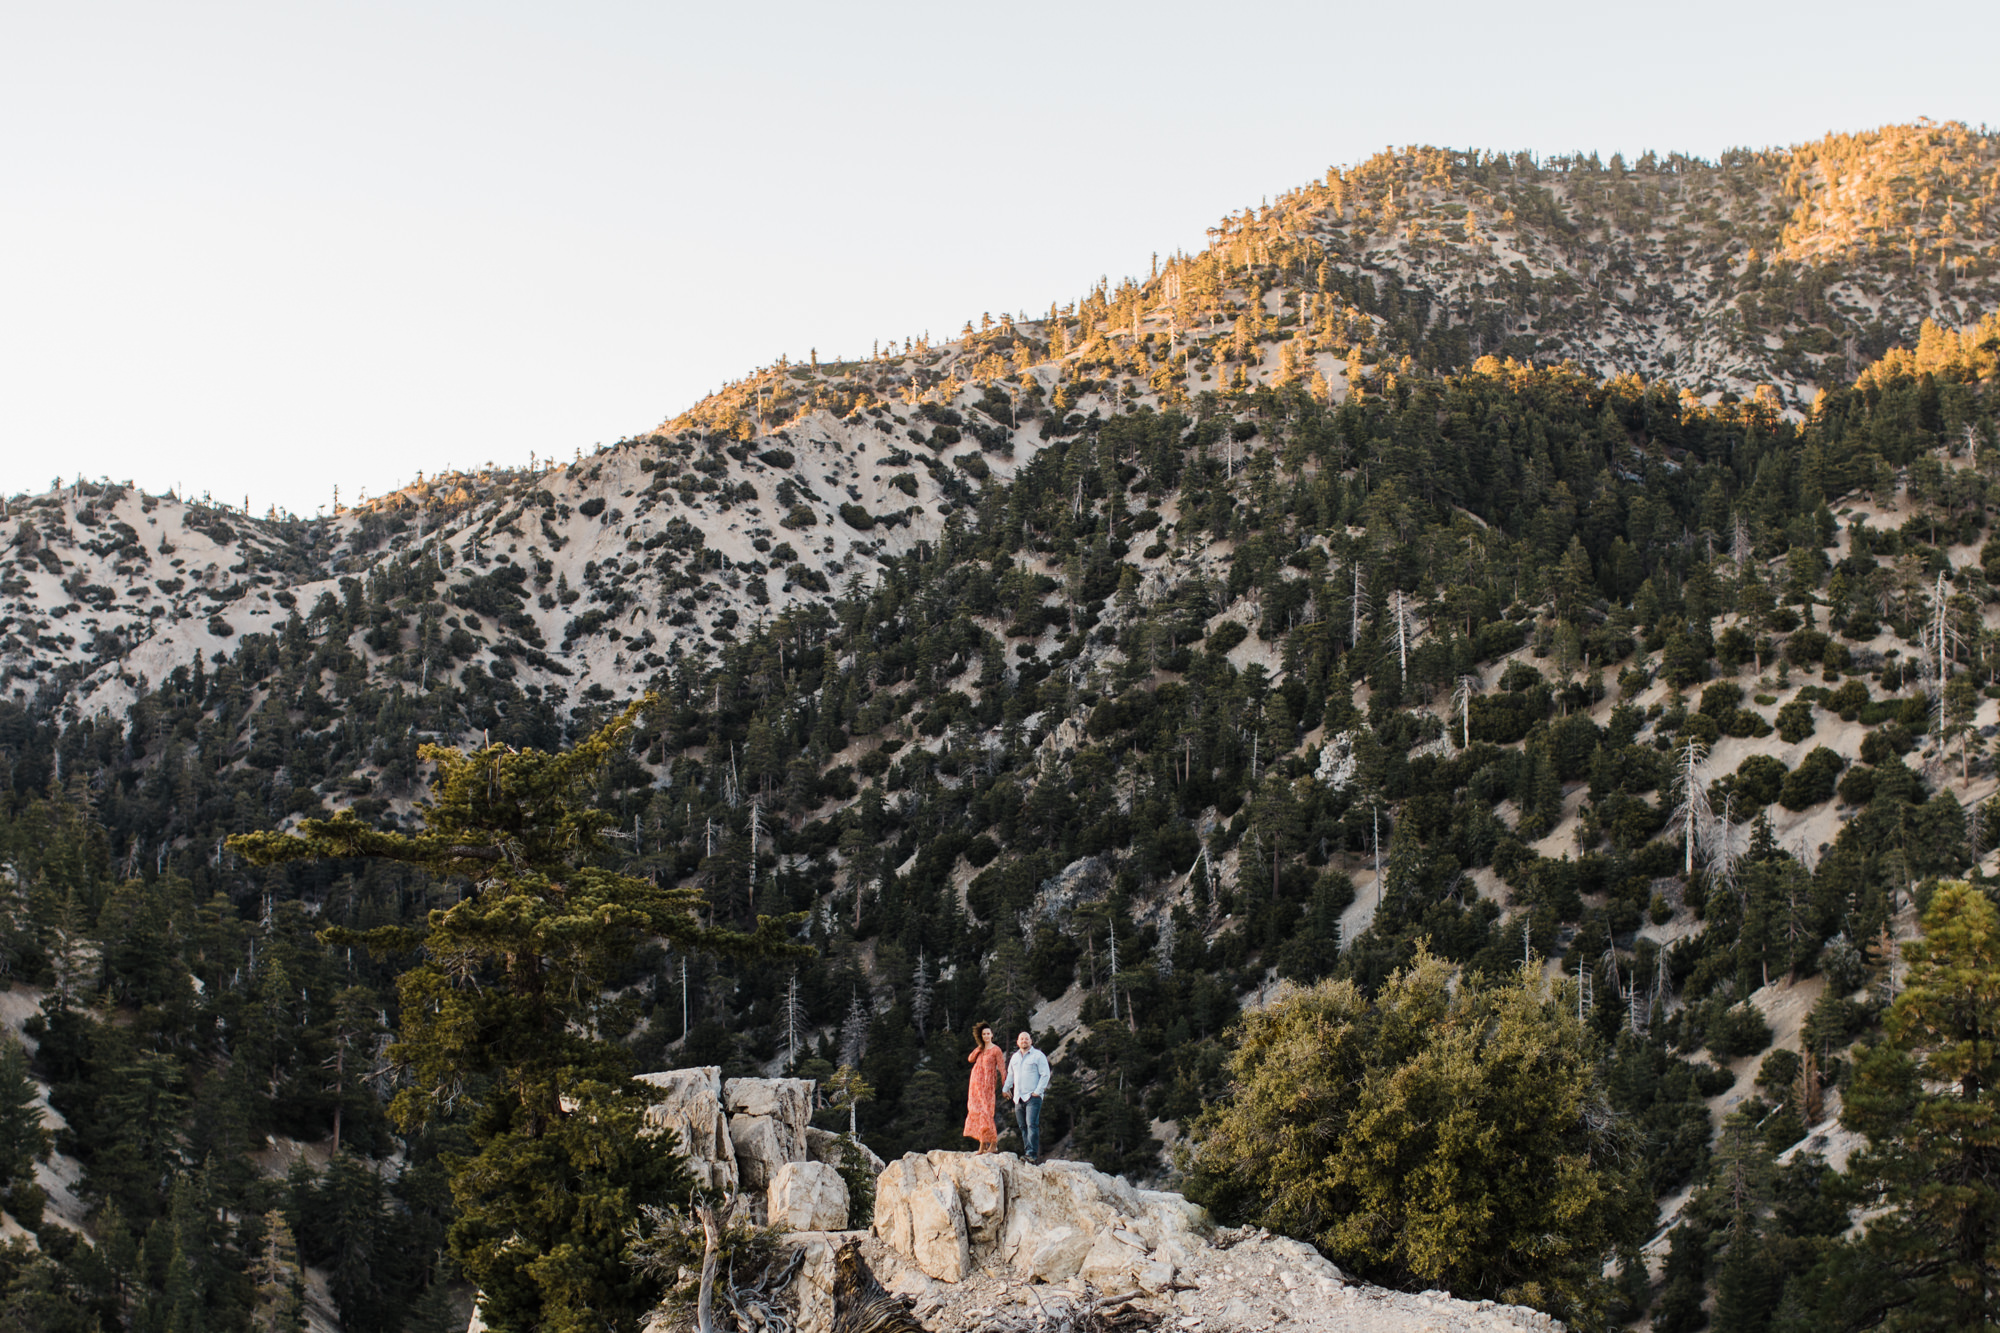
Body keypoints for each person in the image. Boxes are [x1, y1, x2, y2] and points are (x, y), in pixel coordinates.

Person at [1002, 1030, 1051, 1163]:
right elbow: (1010, 1075)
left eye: (1026, 1039)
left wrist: (1038, 1091)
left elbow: (1045, 1074)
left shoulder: (1038, 1056)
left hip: (1033, 1097)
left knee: (1031, 1125)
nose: (1024, 1041)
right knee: (1023, 1126)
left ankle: (1032, 1154)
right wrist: (1006, 1088)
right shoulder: (1015, 1057)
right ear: (1018, 1042)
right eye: (1021, 1039)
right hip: (1018, 1097)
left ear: (1031, 1041)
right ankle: (1027, 1152)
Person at [963, 1021, 1005, 1154]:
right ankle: (982, 1144)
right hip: (975, 1085)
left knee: (987, 1113)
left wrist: (1005, 1086)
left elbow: (1002, 1068)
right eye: (983, 1034)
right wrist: (979, 1048)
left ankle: (993, 1143)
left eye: (988, 1033)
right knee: (977, 1112)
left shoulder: (996, 1050)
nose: (986, 1036)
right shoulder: (981, 1049)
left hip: (987, 1085)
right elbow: (970, 1059)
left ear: (992, 1035)